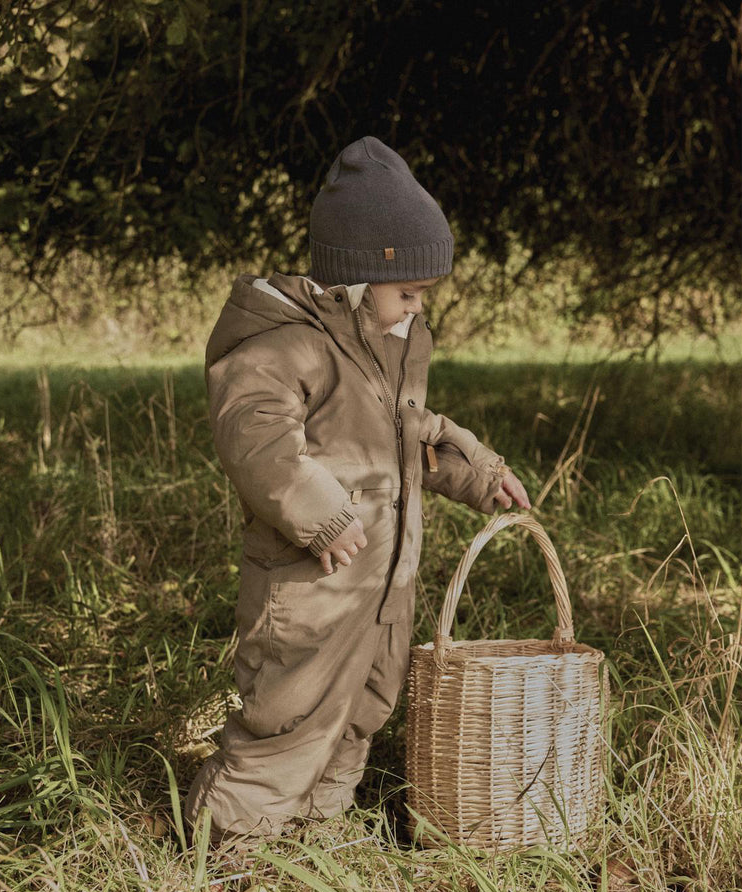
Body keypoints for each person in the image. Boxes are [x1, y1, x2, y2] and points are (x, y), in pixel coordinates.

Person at [185, 135, 530, 847]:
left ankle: (318, 827)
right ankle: (229, 843)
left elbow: (411, 431)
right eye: (407, 293)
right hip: (312, 583)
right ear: (355, 278)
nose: (415, 309)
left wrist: (478, 470)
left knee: (365, 705)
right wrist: (321, 513)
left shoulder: (389, 344)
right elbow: (257, 436)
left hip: (383, 578)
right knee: (292, 712)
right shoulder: (288, 343)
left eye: (422, 296)